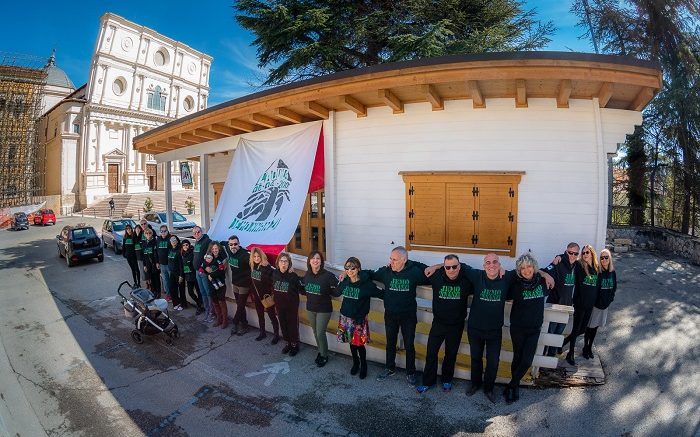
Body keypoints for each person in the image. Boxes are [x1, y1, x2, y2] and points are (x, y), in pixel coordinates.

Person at [370, 246, 429, 386]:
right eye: (390, 259)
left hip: (408, 316)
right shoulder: (386, 272)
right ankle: (389, 368)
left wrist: (412, 263)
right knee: (390, 342)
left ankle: (410, 372)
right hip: (390, 314)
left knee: (409, 345)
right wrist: (347, 274)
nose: (391, 262)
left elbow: (430, 274)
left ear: (404, 260)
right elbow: (369, 274)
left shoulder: (414, 272)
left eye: (395, 260)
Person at [462, 253, 516, 403]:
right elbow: (461, 266)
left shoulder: (507, 277)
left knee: (493, 361)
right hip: (475, 328)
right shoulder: (477, 275)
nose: (491, 265)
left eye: (495, 262)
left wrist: (546, 275)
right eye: (488, 262)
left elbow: (526, 269)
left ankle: (489, 388)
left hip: (494, 330)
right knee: (475, 358)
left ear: (499, 264)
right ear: (484, 265)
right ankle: (475, 383)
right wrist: (436, 266)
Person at [416, 254, 471, 394]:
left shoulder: (467, 279)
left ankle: (447, 380)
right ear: (444, 268)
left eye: (454, 266)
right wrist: (393, 264)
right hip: (438, 324)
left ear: (459, 266)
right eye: (448, 267)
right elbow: (419, 267)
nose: (451, 270)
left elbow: (481, 274)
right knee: (431, 353)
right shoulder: (437, 276)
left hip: (456, 325)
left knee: (451, 354)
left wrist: (439, 265)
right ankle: (428, 382)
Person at [504, 252, 551, 404]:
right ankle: (515, 387)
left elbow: (556, 268)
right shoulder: (515, 283)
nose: (526, 270)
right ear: (519, 270)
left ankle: (511, 385)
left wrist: (545, 274)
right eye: (522, 268)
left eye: (529, 266)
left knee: (527, 361)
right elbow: (504, 279)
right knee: (517, 357)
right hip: (518, 327)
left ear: (534, 267)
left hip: (534, 328)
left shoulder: (542, 281)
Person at [336, 257, 384, 379]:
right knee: (351, 343)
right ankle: (355, 363)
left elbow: (381, 294)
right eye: (347, 268)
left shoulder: (366, 284)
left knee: (359, 344)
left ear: (358, 269)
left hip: (359, 320)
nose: (349, 271)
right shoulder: (345, 281)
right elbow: (336, 292)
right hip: (346, 318)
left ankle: (364, 365)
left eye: (353, 268)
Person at [562, 244, 600, 365]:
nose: (584, 255)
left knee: (582, 330)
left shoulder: (596, 267)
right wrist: (558, 257)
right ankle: (570, 354)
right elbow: (568, 259)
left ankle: (564, 342)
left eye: (587, 252)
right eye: (583, 253)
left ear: (592, 253)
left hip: (590, 304)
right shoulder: (579, 265)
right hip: (580, 303)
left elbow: (597, 286)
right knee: (576, 329)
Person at [542, 242, 579, 356]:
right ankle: (542, 356)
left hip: (566, 307)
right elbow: (542, 271)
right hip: (554, 305)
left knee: (558, 335)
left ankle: (551, 357)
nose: (572, 256)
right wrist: (547, 275)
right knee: (550, 333)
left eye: (575, 254)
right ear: (566, 252)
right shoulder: (558, 262)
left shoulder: (578, 266)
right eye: (570, 253)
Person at [303, 251, 339, 367]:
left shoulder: (328, 275)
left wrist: (344, 276)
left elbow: (337, 289)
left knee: (320, 333)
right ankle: (320, 350)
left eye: (318, 258)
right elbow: (302, 287)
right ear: (309, 261)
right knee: (315, 332)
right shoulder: (307, 275)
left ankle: (324, 355)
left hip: (324, 309)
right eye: (313, 258)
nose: (315, 260)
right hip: (310, 308)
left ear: (321, 261)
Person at [584, 248, 616, 359]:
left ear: (610, 258)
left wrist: (610, 300)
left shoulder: (612, 273)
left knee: (595, 328)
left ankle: (590, 348)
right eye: (602, 258)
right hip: (595, 306)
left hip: (605, 306)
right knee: (589, 327)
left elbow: (614, 288)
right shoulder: (598, 272)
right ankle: (585, 347)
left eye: (606, 257)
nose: (604, 260)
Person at [272, 253, 304, 356]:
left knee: (292, 325)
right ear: (278, 263)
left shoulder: (293, 276)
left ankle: (295, 345)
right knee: (283, 324)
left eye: (286, 261)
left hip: (291, 306)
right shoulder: (274, 273)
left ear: (289, 263)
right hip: (279, 305)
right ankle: (288, 343)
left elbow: (302, 288)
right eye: (281, 261)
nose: (283, 263)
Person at [222, 235, 252, 335]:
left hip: (244, 284)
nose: (233, 246)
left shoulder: (245, 255)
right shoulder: (229, 249)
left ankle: (235, 323)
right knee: (240, 305)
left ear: (239, 243)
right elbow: (222, 243)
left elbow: (254, 264)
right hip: (235, 283)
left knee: (240, 306)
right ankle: (244, 325)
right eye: (231, 244)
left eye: (235, 244)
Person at [249, 247, 280, 343]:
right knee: (260, 315)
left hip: (266, 296)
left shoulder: (267, 267)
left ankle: (276, 335)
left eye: (258, 256)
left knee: (272, 316)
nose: (256, 258)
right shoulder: (253, 266)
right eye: (254, 256)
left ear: (262, 256)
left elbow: (275, 279)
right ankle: (262, 332)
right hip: (257, 296)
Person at [203, 242, 228, 328]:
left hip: (220, 283)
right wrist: (206, 269)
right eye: (213, 249)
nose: (214, 250)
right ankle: (219, 319)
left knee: (221, 301)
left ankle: (225, 321)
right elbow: (204, 267)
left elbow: (222, 271)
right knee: (215, 301)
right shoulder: (209, 257)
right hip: (211, 283)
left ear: (219, 249)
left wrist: (211, 275)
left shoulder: (222, 258)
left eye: (216, 248)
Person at [192, 226, 214, 322]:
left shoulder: (207, 241)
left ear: (202, 232)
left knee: (208, 292)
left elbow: (210, 256)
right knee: (203, 292)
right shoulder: (197, 241)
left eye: (198, 232)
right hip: (197, 271)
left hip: (204, 272)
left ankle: (211, 313)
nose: (197, 234)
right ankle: (207, 310)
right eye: (195, 233)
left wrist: (204, 267)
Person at [179, 239, 204, 314]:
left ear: (189, 245)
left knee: (199, 292)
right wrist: (181, 276)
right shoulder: (182, 254)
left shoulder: (193, 252)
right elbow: (182, 266)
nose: (185, 246)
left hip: (195, 275)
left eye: (187, 245)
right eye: (183, 245)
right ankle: (199, 303)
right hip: (188, 276)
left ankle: (200, 307)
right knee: (190, 292)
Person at [142, 227, 160, 297]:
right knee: (151, 278)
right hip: (148, 263)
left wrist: (157, 262)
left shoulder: (154, 242)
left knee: (156, 278)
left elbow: (156, 253)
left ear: (152, 234)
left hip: (154, 263)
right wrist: (144, 265)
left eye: (150, 233)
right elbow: (144, 255)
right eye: (146, 233)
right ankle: (153, 291)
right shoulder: (144, 243)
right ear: (145, 235)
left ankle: (158, 292)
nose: (148, 234)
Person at [167, 235, 183, 310]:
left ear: (177, 241)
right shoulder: (170, 250)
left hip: (178, 273)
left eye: (174, 240)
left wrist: (181, 275)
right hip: (172, 272)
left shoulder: (179, 251)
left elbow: (181, 264)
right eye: (171, 240)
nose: (173, 242)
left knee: (180, 289)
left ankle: (182, 304)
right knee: (172, 288)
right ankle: (176, 303)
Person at [156, 225, 172, 301]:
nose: (163, 232)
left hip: (170, 264)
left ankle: (174, 295)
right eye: (161, 231)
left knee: (172, 281)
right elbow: (157, 251)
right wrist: (157, 262)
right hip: (162, 264)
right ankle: (168, 295)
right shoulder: (158, 239)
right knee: (165, 281)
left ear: (167, 231)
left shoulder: (170, 238)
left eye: (165, 231)